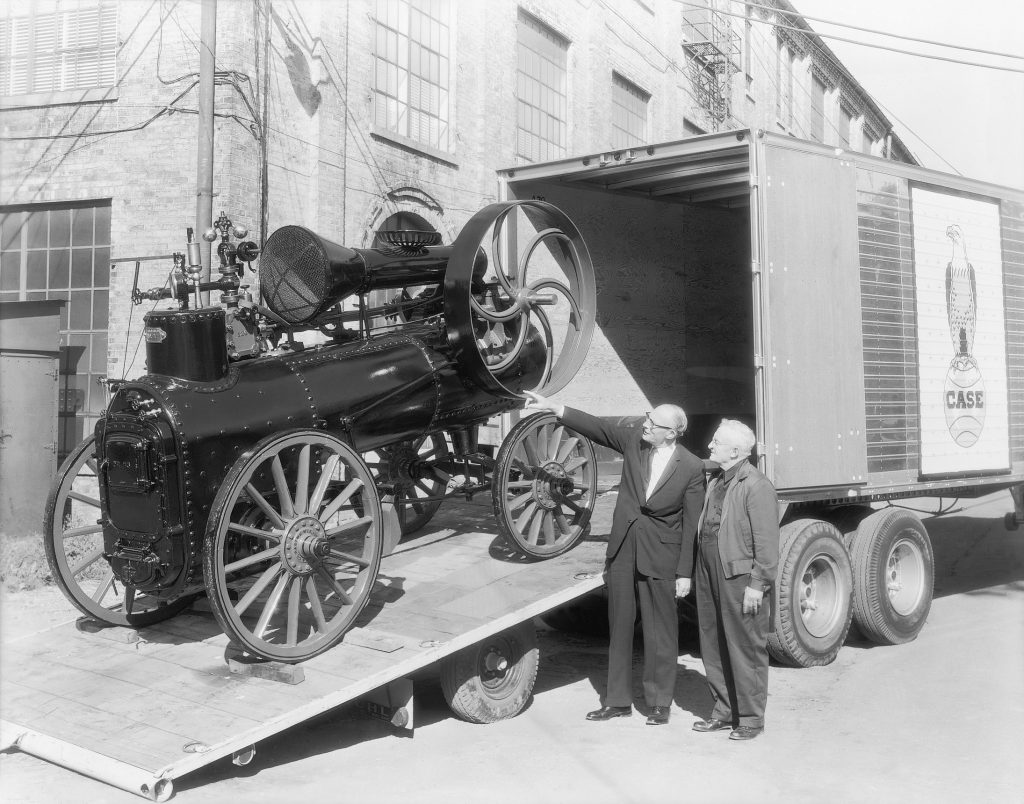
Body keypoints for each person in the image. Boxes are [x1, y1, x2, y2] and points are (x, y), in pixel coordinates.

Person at [523, 391, 705, 725]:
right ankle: (617, 701)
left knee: (660, 632)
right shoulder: (635, 440)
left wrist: (684, 573)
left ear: (672, 433)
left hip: (661, 557)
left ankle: (659, 702)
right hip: (623, 552)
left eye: (654, 423)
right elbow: (596, 428)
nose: (645, 424)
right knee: (619, 628)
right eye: (647, 417)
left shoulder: (692, 467)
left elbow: (692, 524)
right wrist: (556, 407)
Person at [691, 419, 779, 741]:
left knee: (745, 648)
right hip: (708, 570)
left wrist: (757, 584)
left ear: (736, 451)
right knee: (712, 643)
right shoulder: (717, 479)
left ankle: (751, 719)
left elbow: (767, 546)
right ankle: (724, 710)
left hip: (739, 576)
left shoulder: (756, 485)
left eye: (716, 442)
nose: (710, 446)